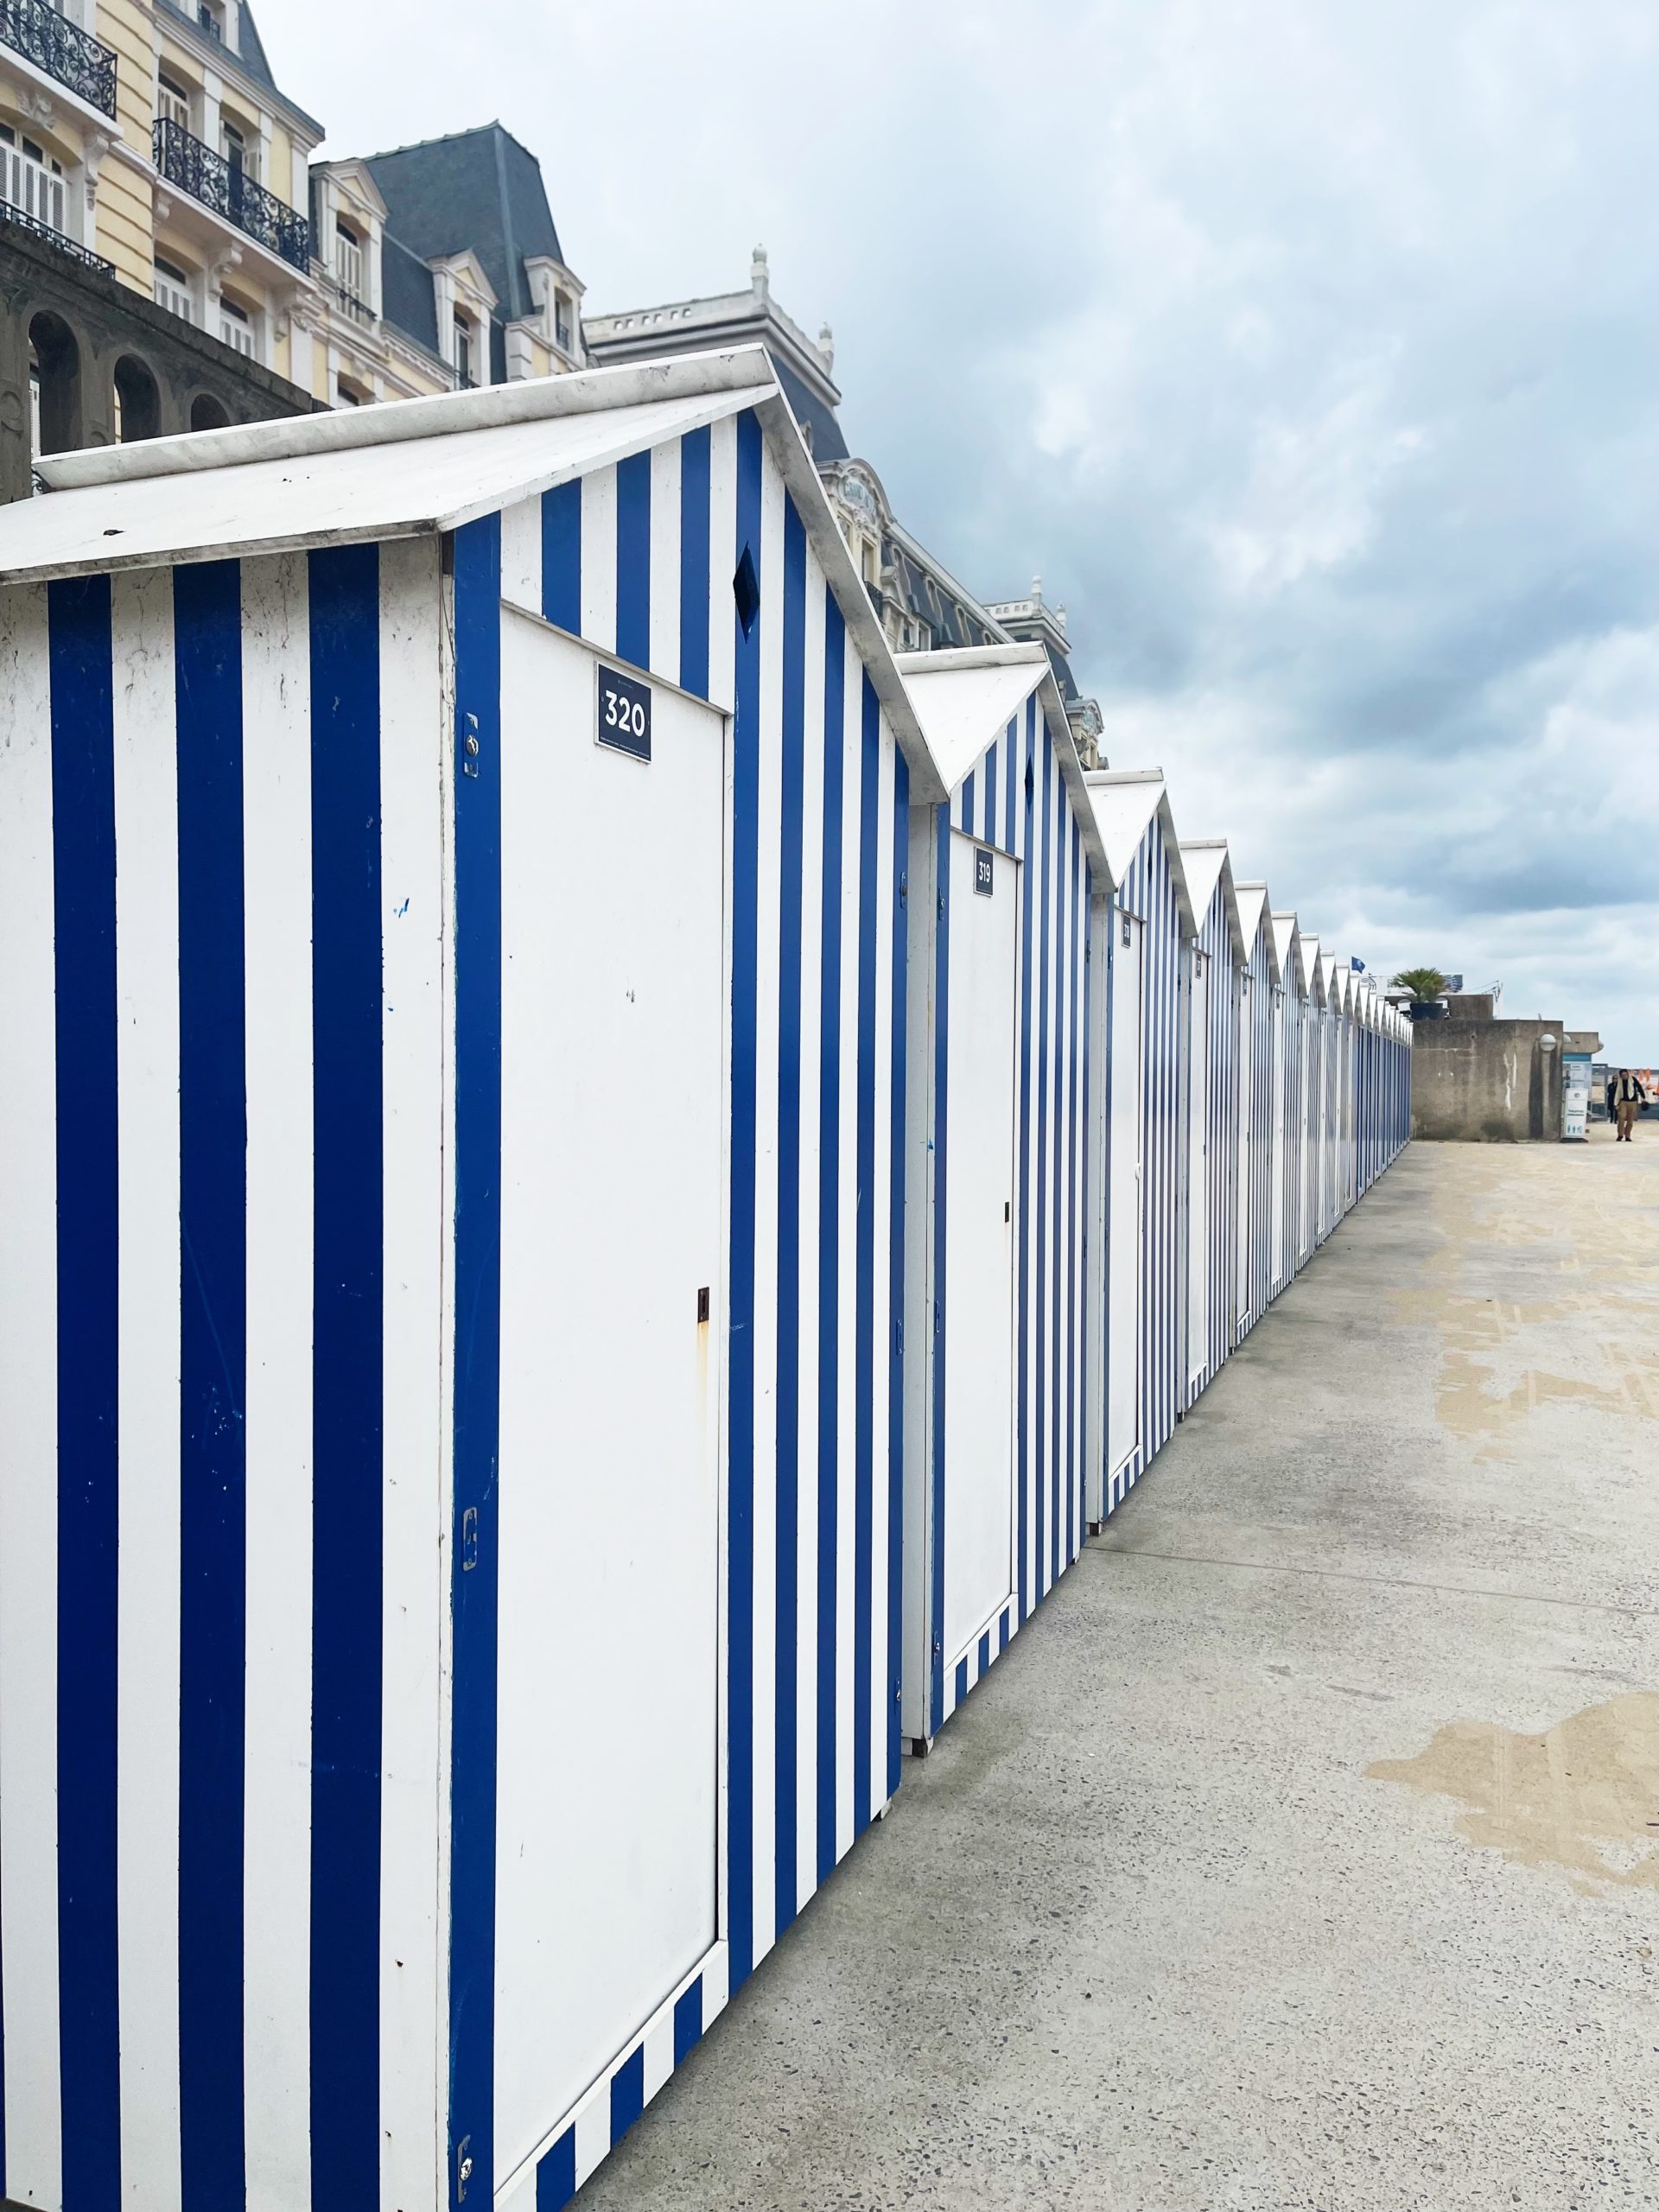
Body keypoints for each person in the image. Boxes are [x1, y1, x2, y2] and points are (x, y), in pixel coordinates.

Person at [1611, 1068, 1648, 1141]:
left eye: (1625, 1074)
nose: (1624, 1076)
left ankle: (1627, 1135)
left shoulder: (1633, 1079)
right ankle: (1620, 1135)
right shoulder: (1619, 1082)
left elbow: (1639, 1087)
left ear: (1628, 1074)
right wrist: (1616, 1104)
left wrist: (1644, 1097)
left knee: (1630, 1119)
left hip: (1633, 1102)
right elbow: (1617, 1093)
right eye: (1622, 1075)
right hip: (1623, 1101)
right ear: (1620, 1076)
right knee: (1622, 1117)